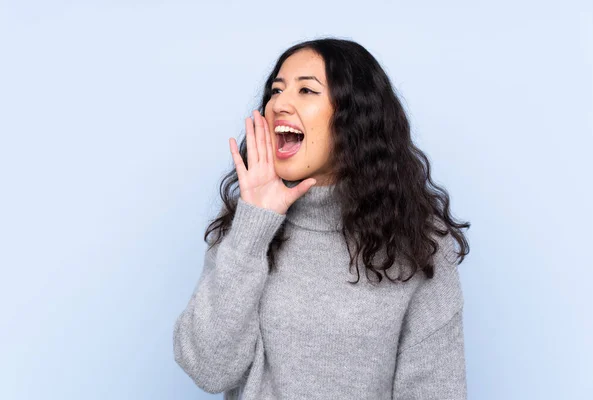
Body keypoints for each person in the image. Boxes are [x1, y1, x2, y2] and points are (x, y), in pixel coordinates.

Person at [173, 37, 471, 400]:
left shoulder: (418, 242)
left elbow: (435, 390)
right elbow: (208, 369)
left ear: (354, 117)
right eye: (276, 90)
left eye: (306, 91)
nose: (279, 103)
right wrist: (253, 227)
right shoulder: (246, 228)